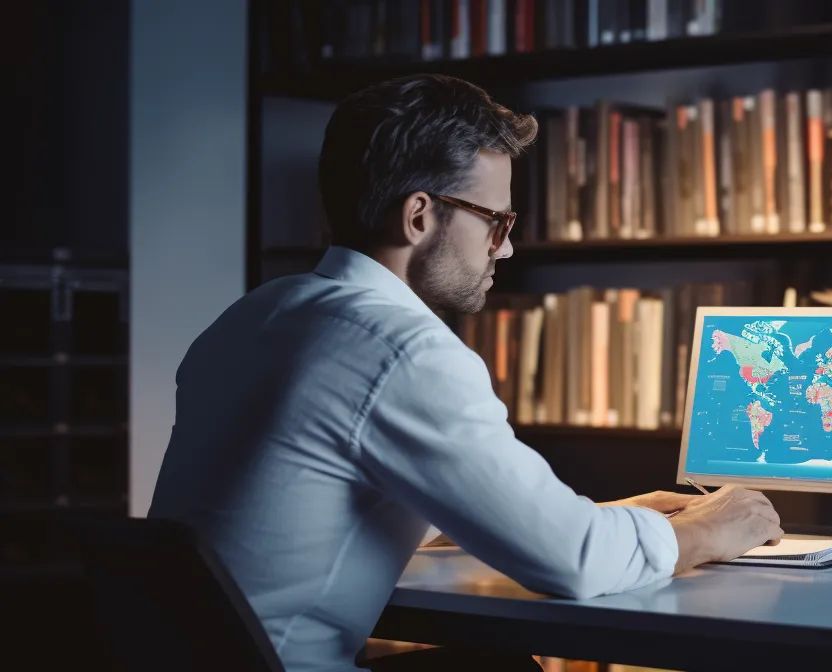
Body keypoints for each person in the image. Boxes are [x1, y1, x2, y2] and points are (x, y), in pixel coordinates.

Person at [147, 74, 784, 672]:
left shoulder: (255, 318)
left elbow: (330, 506)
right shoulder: (401, 348)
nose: (505, 247)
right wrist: (705, 529)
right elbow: (574, 562)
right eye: (496, 221)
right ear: (419, 215)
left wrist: (603, 515)